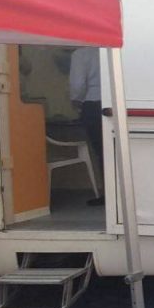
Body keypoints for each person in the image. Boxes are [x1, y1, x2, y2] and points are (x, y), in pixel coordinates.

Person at [69, 47, 103, 206]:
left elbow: (77, 84)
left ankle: (108, 193)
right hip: (115, 102)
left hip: (92, 104)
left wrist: (76, 100)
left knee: (100, 151)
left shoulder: (81, 54)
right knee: (115, 150)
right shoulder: (111, 48)